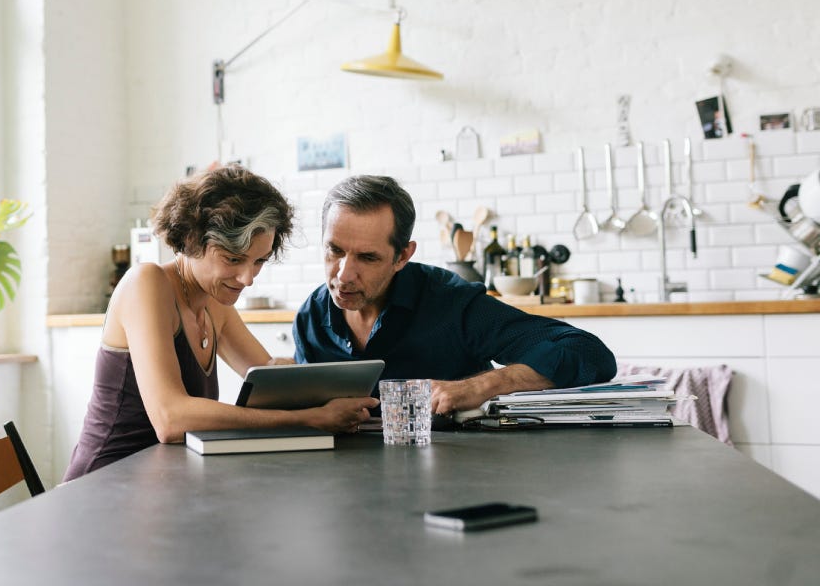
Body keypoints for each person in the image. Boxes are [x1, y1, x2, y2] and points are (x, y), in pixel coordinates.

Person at [65, 166, 377, 481]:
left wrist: (328, 387)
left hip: (162, 482)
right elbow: (171, 420)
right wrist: (308, 418)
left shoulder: (215, 302)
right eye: (233, 259)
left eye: (259, 261)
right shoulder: (146, 283)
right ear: (191, 239)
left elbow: (268, 380)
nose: (248, 278)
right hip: (103, 482)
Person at [294, 175, 616, 415]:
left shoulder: (452, 304)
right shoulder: (310, 317)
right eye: (334, 251)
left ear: (402, 257)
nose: (343, 275)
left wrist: (479, 386)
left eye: (368, 257)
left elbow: (590, 353)